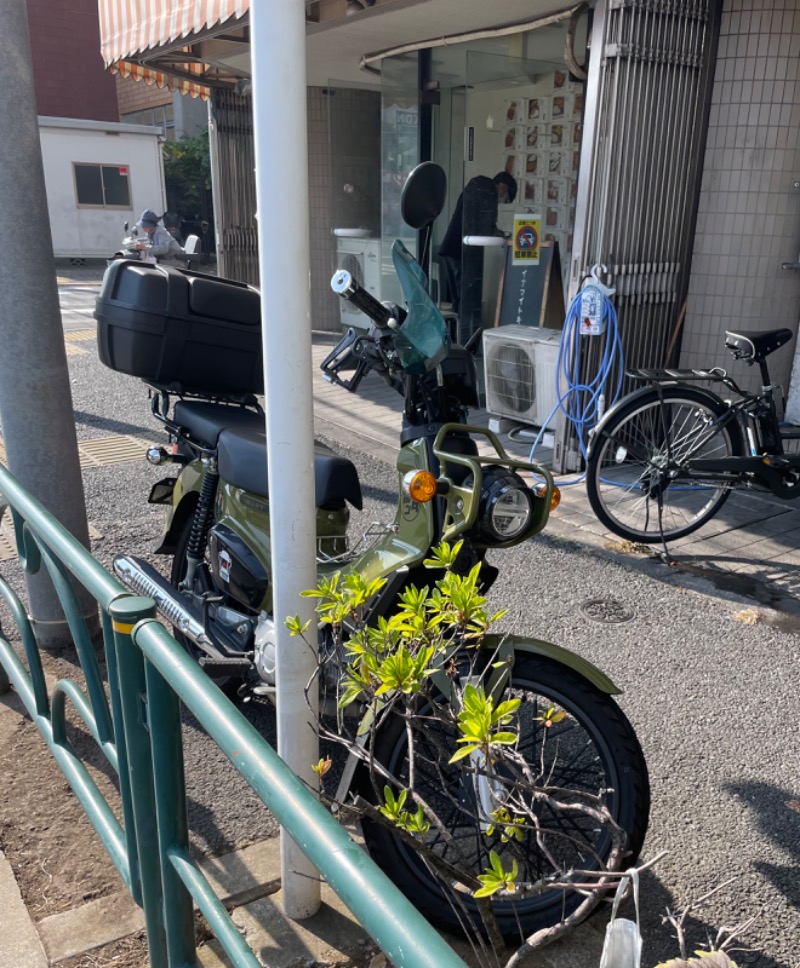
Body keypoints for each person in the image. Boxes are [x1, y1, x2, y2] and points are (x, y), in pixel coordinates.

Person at [438, 171, 517, 313]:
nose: (501, 201)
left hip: (451, 245)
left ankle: (457, 332)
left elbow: (478, 221)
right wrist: (501, 235)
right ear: (503, 187)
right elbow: (486, 225)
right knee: (466, 296)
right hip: (461, 249)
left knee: (458, 297)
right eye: (505, 198)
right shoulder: (488, 191)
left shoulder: (478, 184)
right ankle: (466, 332)